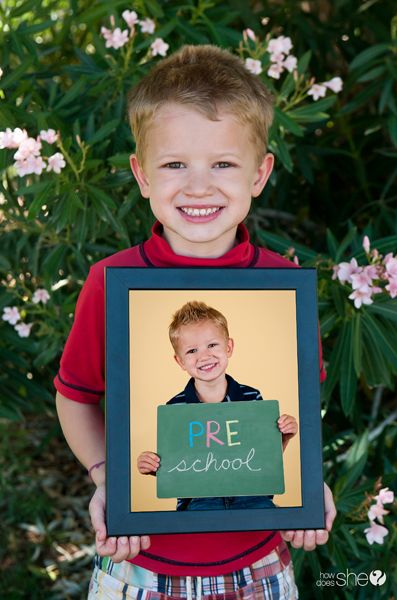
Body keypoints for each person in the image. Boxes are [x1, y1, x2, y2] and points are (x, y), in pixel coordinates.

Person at [55, 44, 336, 599]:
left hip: (256, 562)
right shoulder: (109, 282)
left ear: (260, 174)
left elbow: (297, 410)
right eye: (175, 164)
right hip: (141, 563)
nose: (200, 185)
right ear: (141, 174)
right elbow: (76, 394)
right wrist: (109, 476)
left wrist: (306, 483)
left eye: (224, 164)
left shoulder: (286, 288)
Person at [138, 300, 298, 511]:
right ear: (180, 362)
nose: (204, 356)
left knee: (273, 529)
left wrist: (284, 436)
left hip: (251, 496)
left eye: (212, 345)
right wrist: (153, 466)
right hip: (199, 503)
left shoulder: (252, 397)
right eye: (192, 351)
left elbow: (261, 458)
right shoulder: (175, 409)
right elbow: (178, 465)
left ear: (229, 347)